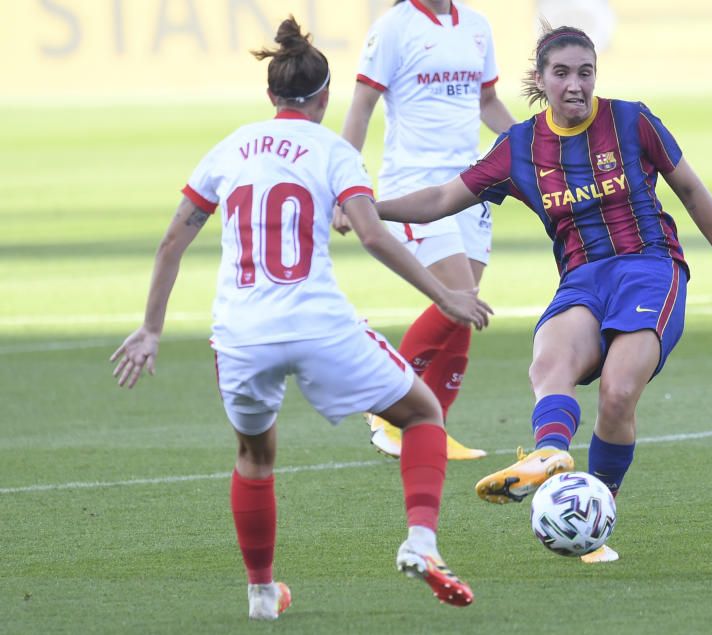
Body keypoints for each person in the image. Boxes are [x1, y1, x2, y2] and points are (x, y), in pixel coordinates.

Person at [109, 17, 488, 619]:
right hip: (317, 325)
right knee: (421, 413)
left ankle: (262, 593)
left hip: (239, 334)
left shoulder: (228, 148)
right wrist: (445, 296)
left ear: (270, 96)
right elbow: (371, 234)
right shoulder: (334, 151)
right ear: (325, 97)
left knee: (255, 458)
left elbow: (171, 244)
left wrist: (151, 329)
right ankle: (422, 542)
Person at [374, 26, 712, 563]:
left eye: (585, 72)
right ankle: (551, 452)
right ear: (540, 79)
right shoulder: (520, 147)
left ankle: (594, 512)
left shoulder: (632, 120)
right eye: (562, 73)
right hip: (582, 276)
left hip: (650, 269)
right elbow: (442, 197)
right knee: (548, 364)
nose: (575, 85)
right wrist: (366, 206)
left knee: (619, 394)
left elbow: (689, 188)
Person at [337, 0, 516, 460]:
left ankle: (432, 429)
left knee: (465, 308)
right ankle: (384, 405)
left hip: (470, 186)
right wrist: (341, 184)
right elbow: (362, 105)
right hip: (414, 188)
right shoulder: (394, 27)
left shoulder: (477, 26)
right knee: (456, 297)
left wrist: (532, 145)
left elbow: (488, 102)